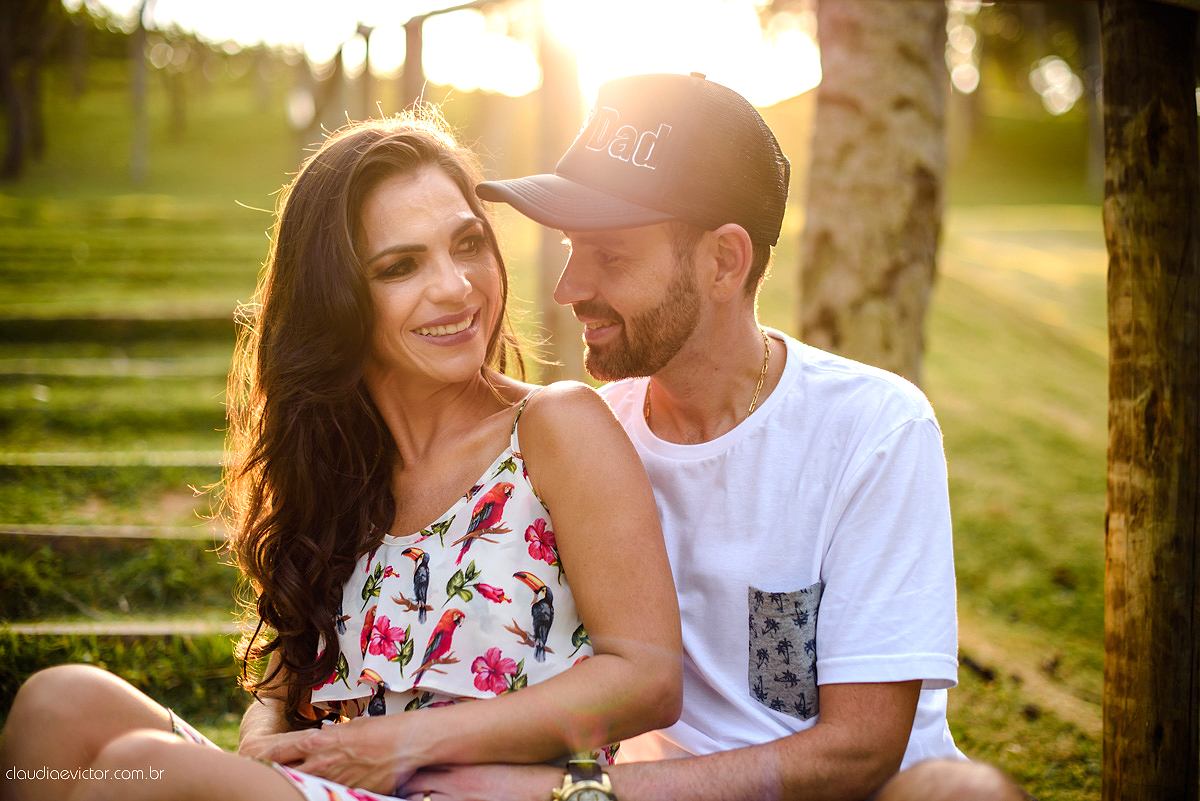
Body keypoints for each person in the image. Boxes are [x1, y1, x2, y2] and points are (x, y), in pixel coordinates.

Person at [0, 109, 682, 801]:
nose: (455, 286)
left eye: (468, 243)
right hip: (350, 786)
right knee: (61, 703)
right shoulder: (337, 467)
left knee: (143, 769)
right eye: (401, 266)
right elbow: (278, 691)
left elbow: (648, 678)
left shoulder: (554, 426)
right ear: (334, 296)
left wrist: (407, 743)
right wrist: (262, 740)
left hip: (483, 793)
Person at [403, 73, 1029, 800]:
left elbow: (861, 751)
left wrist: (583, 794)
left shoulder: (873, 429)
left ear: (724, 262)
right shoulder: (587, 439)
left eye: (610, 256)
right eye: (572, 248)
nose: (568, 288)